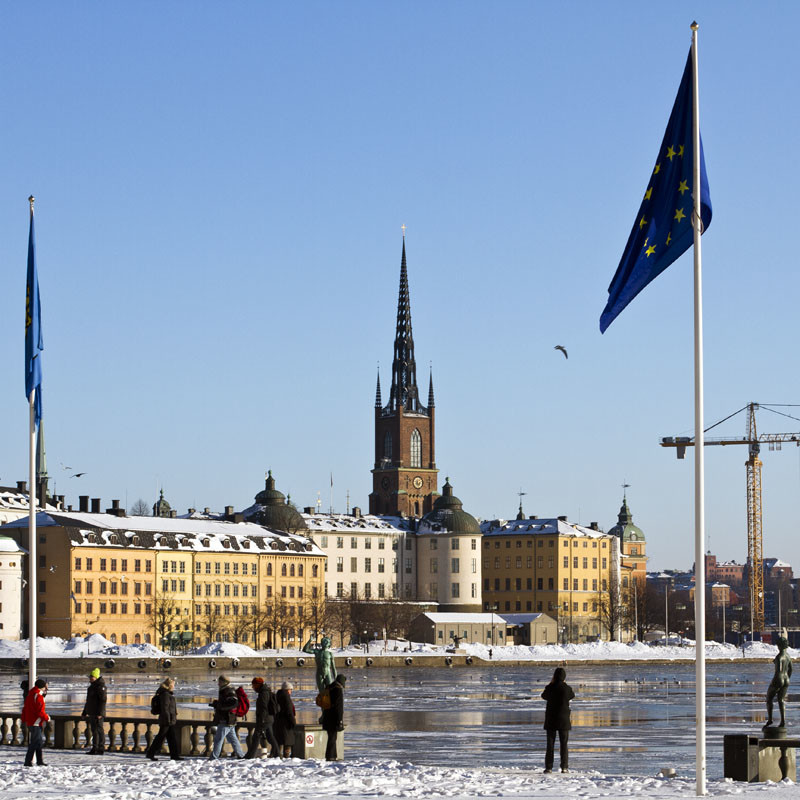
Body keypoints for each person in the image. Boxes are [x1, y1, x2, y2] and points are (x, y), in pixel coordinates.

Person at [541, 667, 574, 774]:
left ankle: (549, 767)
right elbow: (572, 695)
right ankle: (564, 767)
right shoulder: (567, 688)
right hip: (564, 720)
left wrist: (551, 684)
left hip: (551, 719)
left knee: (550, 745)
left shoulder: (550, 688)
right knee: (564, 745)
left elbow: (543, 696)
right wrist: (564, 684)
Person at [146, 677, 182, 761]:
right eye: (173, 684)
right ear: (169, 685)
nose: (174, 686)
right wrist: (168, 720)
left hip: (168, 720)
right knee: (160, 737)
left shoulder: (166, 694)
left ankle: (174, 756)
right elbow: (165, 708)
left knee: (171, 738)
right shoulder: (165, 694)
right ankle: (150, 753)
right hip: (166, 720)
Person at [209, 675, 244, 759]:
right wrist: (217, 704)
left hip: (226, 719)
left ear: (225, 682)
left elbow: (234, 703)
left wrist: (220, 707)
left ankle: (214, 757)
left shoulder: (228, 690)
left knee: (218, 739)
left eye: (220, 682)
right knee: (233, 739)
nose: (218, 683)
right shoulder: (225, 690)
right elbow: (226, 702)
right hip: (229, 719)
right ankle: (241, 755)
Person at [244, 677, 280, 759]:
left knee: (256, 737)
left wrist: (262, 719)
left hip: (264, 719)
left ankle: (250, 756)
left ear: (258, 685)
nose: (253, 687)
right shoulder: (266, 691)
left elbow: (264, 707)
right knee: (271, 737)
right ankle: (278, 754)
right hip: (269, 718)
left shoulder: (263, 693)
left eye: (253, 685)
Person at [765, 635, 793, 728]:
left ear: (780, 646)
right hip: (786, 679)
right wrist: (787, 678)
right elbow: (790, 669)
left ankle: (770, 719)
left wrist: (774, 682)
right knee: (781, 700)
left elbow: (778, 671)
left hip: (778, 679)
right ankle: (783, 721)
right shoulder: (788, 656)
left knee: (769, 699)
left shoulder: (779, 657)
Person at [22, 678, 49, 767]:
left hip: (31, 721)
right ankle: (28, 761)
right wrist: (47, 718)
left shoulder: (31, 694)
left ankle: (39, 761)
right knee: (35, 742)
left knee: (38, 742)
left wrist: (24, 719)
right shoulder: (38, 696)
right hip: (36, 722)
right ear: (42, 687)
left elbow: (26, 708)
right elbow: (39, 711)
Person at [321, 674, 346, 761]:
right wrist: (340, 720)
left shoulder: (328, 688)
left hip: (327, 717)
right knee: (332, 738)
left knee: (331, 737)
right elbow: (339, 707)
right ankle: (331, 757)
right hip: (334, 718)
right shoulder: (338, 690)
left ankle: (332, 756)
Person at [82, 667, 107, 754]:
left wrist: (100, 713)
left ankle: (101, 748)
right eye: (90, 677)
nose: (90, 678)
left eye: (91, 677)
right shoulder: (91, 687)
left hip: (98, 713)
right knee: (94, 731)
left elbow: (103, 701)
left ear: (96, 677)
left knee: (99, 730)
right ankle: (95, 748)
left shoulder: (101, 687)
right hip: (92, 712)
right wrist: (85, 712)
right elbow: (88, 701)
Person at [274, 681, 296, 758]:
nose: (291, 691)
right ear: (287, 689)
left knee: (279, 741)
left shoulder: (277, 695)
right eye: (291, 689)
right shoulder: (286, 697)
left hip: (278, 721)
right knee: (287, 741)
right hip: (286, 723)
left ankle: (277, 756)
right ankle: (286, 757)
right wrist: (293, 721)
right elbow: (289, 711)